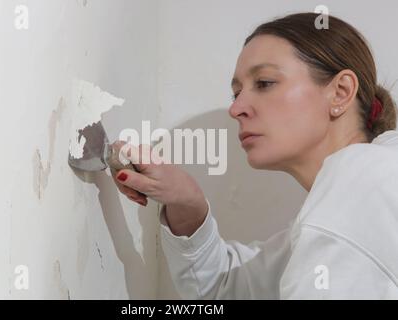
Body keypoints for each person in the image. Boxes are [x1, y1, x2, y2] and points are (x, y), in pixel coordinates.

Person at [111, 12, 398, 299]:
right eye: (236, 94)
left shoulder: (361, 178)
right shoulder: (356, 197)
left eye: (264, 83)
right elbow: (225, 288)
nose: (236, 110)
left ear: (340, 92)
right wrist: (188, 204)